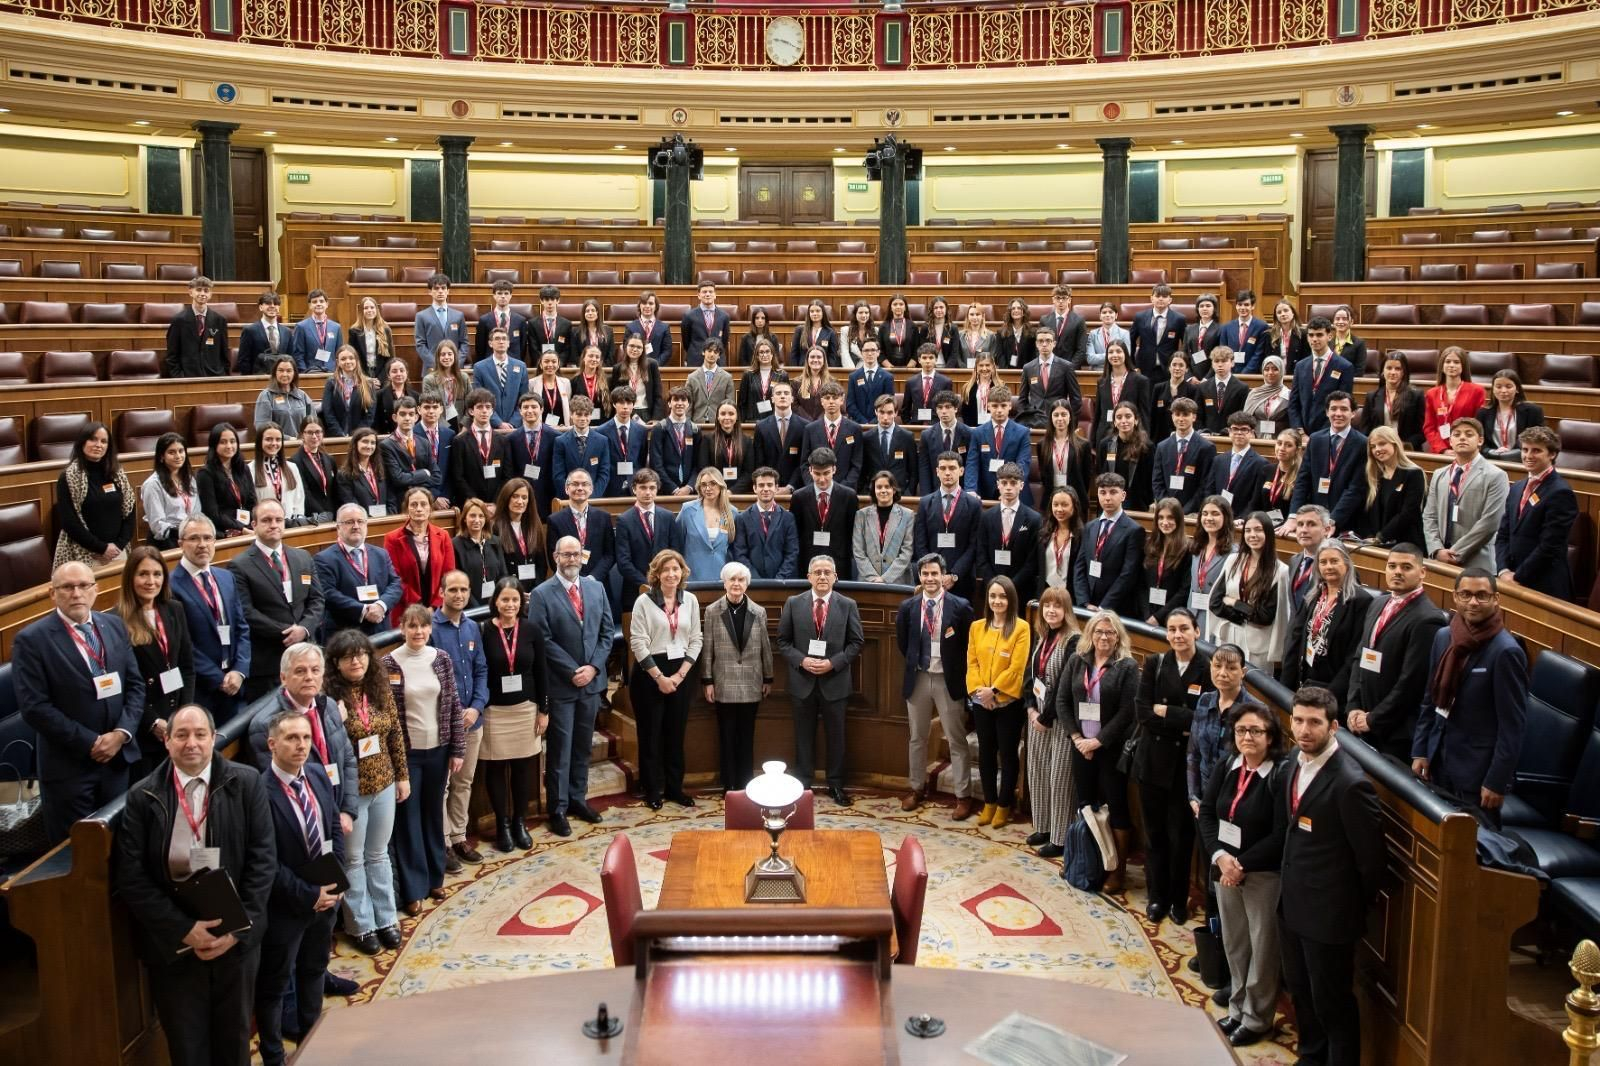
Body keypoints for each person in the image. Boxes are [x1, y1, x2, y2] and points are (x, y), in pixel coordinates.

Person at [114, 704, 273, 1066]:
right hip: (176, 948)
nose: (192, 743)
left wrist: (237, 929)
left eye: (200, 734)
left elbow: (264, 860)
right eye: (182, 735)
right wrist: (183, 929)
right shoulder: (142, 796)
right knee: (187, 1049)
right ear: (166, 741)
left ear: (214, 739)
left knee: (234, 1044)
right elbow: (132, 877)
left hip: (236, 942)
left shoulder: (247, 782)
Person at [1280, 685, 1384, 1066]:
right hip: (1292, 904)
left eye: (1314, 722)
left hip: (1329, 917)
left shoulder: (1350, 783)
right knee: (1300, 992)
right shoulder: (1294, 761)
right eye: (1298, 720)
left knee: (1332, 1004)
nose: (1304, 730)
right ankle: (1310, 1058)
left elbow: (1371, 861)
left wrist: (1344, 906)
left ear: (1333, 726)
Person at [15, 560, 143, 840]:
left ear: (96, 589)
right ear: (53, 594)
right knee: (76, 852)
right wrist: (92, 742)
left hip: (117, 761)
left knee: (121, 843)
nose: (77, 593)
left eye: (84, 585)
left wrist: (121, 734)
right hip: (70, 769)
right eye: (67, 587)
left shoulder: (114, 625)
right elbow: (35, 708)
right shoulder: (32, 640)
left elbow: (135, 686)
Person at [253, 707, 344, 1066]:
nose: (301, 745)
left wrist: (335, 882)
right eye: (292, 738)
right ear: (272, 744)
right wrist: (309, 895)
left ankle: (311, 1043)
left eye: (306, 737)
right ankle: (274, 1055)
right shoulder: (259, 792)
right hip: (285, 907)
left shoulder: (318, 774)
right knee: (274, 986)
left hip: (325, 901)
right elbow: (267, 861)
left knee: (313, 971)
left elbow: (333, 828)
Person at [1197, 703, 1289, 1048]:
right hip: (1225, 870)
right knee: (1235, 943)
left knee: (1262, 948)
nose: (1247, 737)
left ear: (1271, 737)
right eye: (1241, 730)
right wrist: (1221, 858)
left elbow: (1281, 833)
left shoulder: (1279, 775)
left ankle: (1257, 1018)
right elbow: (1208, 813)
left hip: (1262, 875)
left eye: (1256, 731)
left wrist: (1241, 865)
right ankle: (1237, 1009)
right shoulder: (1228, 764)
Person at [1412, 570, 1528, 827]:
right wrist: (1420, 750)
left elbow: (1512, 727)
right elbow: (1430, 699)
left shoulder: (1506, 651)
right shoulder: (1444, 637)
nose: (1473, 602)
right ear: (1455, 597)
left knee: (1477, 844)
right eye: (1465, 594)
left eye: (1481, 596)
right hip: (1439, 759)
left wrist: (1496, 781)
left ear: (1496, 599)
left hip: (1477, 773)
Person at [323, 628, 406, 954]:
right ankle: (361, 925)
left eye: (360, 655)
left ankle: (387, 919)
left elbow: (395, 733)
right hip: (351, 793)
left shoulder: (379, 687)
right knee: (354, 859)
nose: (356, 661)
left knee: (378, 854)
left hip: (384, 782)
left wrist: (402, 776)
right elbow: (327, 749)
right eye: (348, 657)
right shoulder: (329, 700)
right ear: (336, 663)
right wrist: (336, 720)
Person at [529, 536, 612, 836]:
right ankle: (558, 808)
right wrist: (572, 670)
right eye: (566, 554)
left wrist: (593, 668)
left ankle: (578, 799)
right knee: (560, 751)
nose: (572, 559)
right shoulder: (541, 594)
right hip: (562, 685)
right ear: (555, 557)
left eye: (576, 554)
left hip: (591, 683)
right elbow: (542, 639)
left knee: (582, 747)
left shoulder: (596, 588)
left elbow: (606, 633)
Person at [1134, 608, 1213, 923]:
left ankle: (1178, 901)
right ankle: (1157, 897)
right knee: (1154, 835)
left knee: (1181, 838)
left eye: (1184, 628)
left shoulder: (1207, 669)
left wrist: (1167, 712)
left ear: (1196, 631)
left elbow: (1203, 720)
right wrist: (1181, 722)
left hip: (1185, 768)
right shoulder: (1155, 663)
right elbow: (1143, 713)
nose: (1178, 635)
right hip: (1152, 763)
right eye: (1172, 629)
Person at [384, 604, 465, 914]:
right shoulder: (388, 663)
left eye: (423, 626)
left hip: (439, 751)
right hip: (408, 755)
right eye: (412, 626)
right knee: (408, 821)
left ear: (431, 628)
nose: (418, 631)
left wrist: (457, 749)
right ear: (402, 628)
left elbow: (454, 705)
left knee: (433, 815)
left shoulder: (441, 658)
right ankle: (414, 889)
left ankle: (434, 878)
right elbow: (389, 718)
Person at [1057, 610, 1140, 893]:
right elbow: (1062, 701)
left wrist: (1098, 742)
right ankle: (1087, 860)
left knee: (1116, 807)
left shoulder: (1127, 666)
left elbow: (1128, 712)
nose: (1104, 637)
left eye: (1110, 632)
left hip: (1110, 750)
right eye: (1099, 631)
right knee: (1085, 804)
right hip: (1080, 747)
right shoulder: (1077, 660)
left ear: (1118, 637)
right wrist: (1077, 737)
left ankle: (1117, 870)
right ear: (1090, 634)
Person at [1343, 543, 1447, 759]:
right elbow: (1359, 657)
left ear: (1422, 572)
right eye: (1392, 566)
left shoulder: (1428, 618)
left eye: (1406, 567)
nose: (1397, 572)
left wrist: (1373, 719)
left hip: (1394, 733)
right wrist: (1353, 706)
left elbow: (1411, 683)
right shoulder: (1377, 603)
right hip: (1362, 718)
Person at [777, 555, 865, 806]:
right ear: (809, 577)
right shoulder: (793, 603)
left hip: (835, 682)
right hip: (802, 682)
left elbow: (856, 642)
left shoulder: (847, 605)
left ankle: (836, 785)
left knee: (836, 738)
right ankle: (803, 785)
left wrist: (833, 663)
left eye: (827, 572)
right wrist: (802, 660)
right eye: (818, 572)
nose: (823, 576)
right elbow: (783, 641)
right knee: (803, 737)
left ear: (835, 577)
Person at [895, 554, 977, 818]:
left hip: (947, 680)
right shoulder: (908, 607)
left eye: (934, 574)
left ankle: (962, 795)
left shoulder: (960, 606)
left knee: (956, 739)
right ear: (919, 577)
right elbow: (903, 643)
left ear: (944, 575)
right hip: (918, 678)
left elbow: (969, 645)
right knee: (917, 737)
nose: (930, 579)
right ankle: (916, 788)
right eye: (925, 574)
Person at [629, 549, 703, 809]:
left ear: (683, 572)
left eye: (676, 569)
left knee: (675, 733)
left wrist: (680, 675)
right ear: (657, 574)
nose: (672, 574)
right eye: (666, 570)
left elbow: (696, 639)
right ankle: (652, 789)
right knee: (651, 735)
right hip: (650, 674)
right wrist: (660, 678)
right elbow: (638, 643)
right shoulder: (644, 601)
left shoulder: (690, 600)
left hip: (681, 672)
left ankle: (674, 788)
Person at [232, 499, 325, 702]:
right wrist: (287, 632)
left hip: (306, 654)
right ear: (254, 524)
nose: (273, 525)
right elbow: (247, 611)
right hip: (268, 662)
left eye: (278, 520)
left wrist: (304, 629)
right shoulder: (239, 565)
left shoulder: (303, 557)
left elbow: (317, 599)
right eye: (266, 520)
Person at [479, 577, 547, 851]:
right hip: (494, 711)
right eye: (505, 599)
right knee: (496, 768)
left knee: (522, 768)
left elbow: (541, 671)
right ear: (495, 601)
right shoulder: (484, 630)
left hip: (526, 709)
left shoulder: (531, 629)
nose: (510, 604)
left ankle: (519, 822)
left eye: (515, 599)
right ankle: (502, 825)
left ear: (522, 602)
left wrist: (544, 710)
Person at [115, 546, 194, 776]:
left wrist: (183, 713)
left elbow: (187, 666)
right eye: (143, 574)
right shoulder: (115, 620)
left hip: (176, 719)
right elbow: (125, 684)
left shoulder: (174, 609)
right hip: (145, 727)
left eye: (157, 574)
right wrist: (152, 722)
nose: (151, 581)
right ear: (130, 578)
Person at [430, 570, 491, 869]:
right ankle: (442, 844)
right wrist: (457, 714)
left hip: (472, 720)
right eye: (453, 589)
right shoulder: (431, 629)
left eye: (464, 589)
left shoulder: (472, 627)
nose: (459, 595)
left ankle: (458, 836)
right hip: (444, 723)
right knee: (442, 786)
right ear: (441, 592)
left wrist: (477, 707)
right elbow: (430, 680)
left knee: (464, 782)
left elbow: (481, 670)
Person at [701, 561, 774, 793]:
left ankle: (745, 783)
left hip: (752, 683)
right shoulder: (712, 611)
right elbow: (707, 648)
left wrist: (768, 677)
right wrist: (707, 680)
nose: (736, 583)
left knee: (746, 736)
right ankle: (729, 784)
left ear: (747, 584)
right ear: (724, 583)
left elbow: (766, 648)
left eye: (741, 579)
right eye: (732, 579)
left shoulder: (759, 612)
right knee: (726, 736)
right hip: (723, 682)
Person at [168, 515, 249, 719]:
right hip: (200, 688)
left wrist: (239, 670)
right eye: (194, 538)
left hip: (234, 683)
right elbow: (181, 643)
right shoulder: (170, 586)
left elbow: (241, 627)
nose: (202, 544)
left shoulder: (226, 577)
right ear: (180, 544)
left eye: (207, 538)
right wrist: (217, 678)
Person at [1279, 542, 1372, 710]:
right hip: (1307, 679)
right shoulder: (1313, 596)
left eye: (1334, 561)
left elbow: (1354, 656)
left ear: (1346, 563)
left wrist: (1330, 695)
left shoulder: (1361, 601)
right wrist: (1285, 686)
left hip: (1336, 690)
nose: (1328, 566)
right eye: (1323, 562)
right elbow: (1296, 639)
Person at [1023, 586, 1078, 856]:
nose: (1051, 611)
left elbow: (1065, 687)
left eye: (1057, 606)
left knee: (1059, 778)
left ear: (1066, 610)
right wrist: (1031, 708)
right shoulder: (1042, 636)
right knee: (1038, 772)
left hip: (1060, 721)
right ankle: (1043, 827)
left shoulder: (1073, 641)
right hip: (1038, 717)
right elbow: (1030, 676)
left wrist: (1045, 717)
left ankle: (1060, 838)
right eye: (1047, 605)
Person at [1497, 426, 1577, 600]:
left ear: (1552, 454)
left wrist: (1518, 577)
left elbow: (1550, 545)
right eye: (1525, 449)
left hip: (1544, 584)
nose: (1528, 455)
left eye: (1536, 450)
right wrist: (1503, 570)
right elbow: (1503, 534)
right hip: (1510, 578)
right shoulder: (1517, 487)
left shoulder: (1560, 492)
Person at [1422, 418, 1510, 572]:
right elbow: (1429, 516)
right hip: (1440, 558)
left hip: (1477, 561)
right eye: (1457, 434)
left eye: (1469, 434)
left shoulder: (1496, 475)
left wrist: (1456, 553)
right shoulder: (1439, 474)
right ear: (1450, 441)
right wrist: (1436, 549)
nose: (1462, 438)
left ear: (1480, 440)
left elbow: (1490, 522)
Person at [1209, 512, 1291, 672]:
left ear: (1268, 533)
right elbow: (1215, 602)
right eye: (1248, 530)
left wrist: (1234, 603)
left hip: (1257, 646)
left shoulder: (1280, 571)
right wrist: (1244, 615)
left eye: (1258, 530)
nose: (1252, 535)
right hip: (1229, 636)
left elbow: (1265, 616)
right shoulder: (1233, 560)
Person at [52, 421, 134, 568]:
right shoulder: (69, 477)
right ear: (82, 442)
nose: (98, 445)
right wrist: (101, 548)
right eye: (93, 439)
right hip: (83, 554)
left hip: (118, 552)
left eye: (104, 441)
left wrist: (118, 546)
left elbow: (129, 511)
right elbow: (69, 523)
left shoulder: (117, 473)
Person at [313, 505, 403, 637]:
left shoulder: (381, 554)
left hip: (380, 629)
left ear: (366, 525)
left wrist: (381, 605)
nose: (356, 526)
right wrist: (363, 611)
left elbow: (395, 584)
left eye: (360, 521)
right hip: (345, 634)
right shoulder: (324, 559)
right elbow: (328, 593)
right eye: (349, 522)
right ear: (338, 528)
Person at [1290, 392, 1366, 535]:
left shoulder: (1362, 444)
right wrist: (1293, 516)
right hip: (1314, 519)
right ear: (1326, 412)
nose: (1338, 414)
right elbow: (1303, 480)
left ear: (1353, 413)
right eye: (1333, 409)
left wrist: (1332, 521)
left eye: (1344, 409)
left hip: (1345, 522)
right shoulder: (1315, 439)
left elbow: (1356, 489)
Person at [546, 470, 618, 616]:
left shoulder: (603, 517)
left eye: (584, 484)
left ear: (591, 489)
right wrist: (574, 579)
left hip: (598, 584)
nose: (580, 488)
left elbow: (610, 554)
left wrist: (592, 578)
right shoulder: (555, 520)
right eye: (575, 484)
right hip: (568, 587)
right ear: (567, 489)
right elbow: (554, 556)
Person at [1074, 473, 1146, 615]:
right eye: (1103, 492)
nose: (1107, 498)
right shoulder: (1089, 527)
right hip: (1088, 605)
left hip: (1115, 608)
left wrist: (1103, 607)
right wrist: (1084, 602)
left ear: (1123, 495)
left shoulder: (1134, 530)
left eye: (1113, 492)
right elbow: (1079, 566)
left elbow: (1128, 574)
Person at [383, 486, 455, 624]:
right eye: (414, 505)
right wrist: (419, 607)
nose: (419, 509)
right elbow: (395, 578)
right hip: (406, 610)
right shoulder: (392, 539)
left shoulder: (443, 536)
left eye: (423, 504)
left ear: (430, 508)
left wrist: (435, 606)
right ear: (407, 508)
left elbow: (449, 575)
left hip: (438, 610)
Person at [1350, 426, 1426, 550]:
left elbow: (1408, 513)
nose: (1377, 449)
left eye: (1382, 444)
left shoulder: (1413, 473)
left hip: (1404, 544)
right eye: (1373, 446)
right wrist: (1370, 536)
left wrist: (1381, 537)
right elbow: (1366, 512)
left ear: (1395, 444)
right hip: (1376, 544)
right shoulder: (1374, 475)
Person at [976, 463, 1041, 601]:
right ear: (998, 485)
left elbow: (1032, 561)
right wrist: (995, 586)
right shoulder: (986, 517)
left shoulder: (1034, 519)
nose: (1008, 487)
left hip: (1021, 590)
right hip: (991, 590)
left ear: (1021, 485)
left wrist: (1011, 586)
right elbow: (981, 556)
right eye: (1004, 483)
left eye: (1013, 483)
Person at [793, 447, 858, 580]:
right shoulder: (799, 497)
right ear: (810, 470)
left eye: (826, 473)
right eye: (817, 474)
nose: (822, 479)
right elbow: (797, 534)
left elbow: (851, 533)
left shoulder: (849, 496)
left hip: (839, 565)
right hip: (808, 565)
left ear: (834, 469)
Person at [1289, 318, 1356, 435]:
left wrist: (1320, 436)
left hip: (1329, 433)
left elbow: (1341, 404)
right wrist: (1300, 431)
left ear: (1329, 336)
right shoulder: (1300, 366)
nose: (1314, 339)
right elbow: (1293, 403)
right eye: (1311, 335)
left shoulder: (1344, 366)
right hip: (1302, 433)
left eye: (1319, 335)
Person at [964, 385, 1031, 500]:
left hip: (1014, 491)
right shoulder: (978, 433)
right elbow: (972, 463)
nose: (999, 410)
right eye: (995, 406)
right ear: (988, 406)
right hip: (985, 492)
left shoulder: (1022, 433)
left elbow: (1023, 464)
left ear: (1010, 406)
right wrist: (970, 490)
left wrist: (1010, 488)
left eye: (1003, 405)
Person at [852, 470, 915, 586]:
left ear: (894, 489)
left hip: (898, 582)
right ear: (874, 490)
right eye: (879, 487)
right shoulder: (861, 515)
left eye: (887, 487)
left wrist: (885, 578)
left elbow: (907, 551)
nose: (883, 490)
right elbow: (858, 551)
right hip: (867, 581)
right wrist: (873, 578)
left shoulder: (908, 515)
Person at [798, 380, 864, 491]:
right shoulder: (810, 429)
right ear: (822, 401)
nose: (831, 402)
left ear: (842, 400)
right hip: (817, 489)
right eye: (827, 398)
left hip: (845, 490)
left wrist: (842, 488)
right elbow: (805, 464)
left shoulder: (854, 429)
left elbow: (857, 464)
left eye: (835, 398)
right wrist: (815, 485)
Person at [449, 388, 511, 507]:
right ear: (471, 411)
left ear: (492, 411)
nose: (484, 411)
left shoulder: (503, 441)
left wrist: (496, 502)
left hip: (496, 505)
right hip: (470, 504)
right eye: (480, 407)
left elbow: (507, 475)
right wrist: (476, 503)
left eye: (488, 407)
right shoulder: (460, 441)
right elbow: (458, 477)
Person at [1153, 397, 1215, 514]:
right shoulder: (1162, 446)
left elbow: (1205, 484)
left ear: (1194, 417)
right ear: (1172, 416)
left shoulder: (1206, 447)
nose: (1181, 419)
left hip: (1192, 511)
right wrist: (1166, 506)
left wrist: (1184, 511)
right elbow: (1157, 481)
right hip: (1166, 510)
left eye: (1185, 415)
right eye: (1177, 414)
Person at [141, 432, 202, 550]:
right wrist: (184, 534)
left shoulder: (190, 479)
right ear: (161, 456)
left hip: (190, 536)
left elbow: (197, 512)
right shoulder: (153, 484)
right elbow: (158, 525)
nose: (178, 456)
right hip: (166, 541)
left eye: (181, 451)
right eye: (172, 452)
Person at [1421, 347, 1487, 455]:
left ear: (1463, 366)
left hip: (1466, 449)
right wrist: (1443, 450)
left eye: (1456, 362)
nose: (1451, 365)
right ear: (1442, 366)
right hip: (1440, 451)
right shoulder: (1432, 394)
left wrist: (1462, 446)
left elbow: (1478, 425)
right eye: (1448, 362)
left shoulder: (1477, 391)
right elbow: (1429, 427)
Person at [196, 422, 257, 539]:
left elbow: (252, 501)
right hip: (223, 531)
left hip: (248, 526)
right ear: (214, 445)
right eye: (223, 442)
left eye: (232, 441)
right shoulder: (205, 474)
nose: (229, 446)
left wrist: (253, 523)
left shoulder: (243, 468)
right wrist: (242, 528)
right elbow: (212, 514)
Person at [677, 466, 738, 580]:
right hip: (692, 576)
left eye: (713, 484)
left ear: (720, 485)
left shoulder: (732, 512)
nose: (708, 488)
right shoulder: (687, 510)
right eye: (704, 485)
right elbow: (677, 544)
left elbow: (734, 548)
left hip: (722, 577)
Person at [164, 276, 230, 378]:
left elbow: (224, 353)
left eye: (206, 291)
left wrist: (223, 375)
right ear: (190, 292)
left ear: (210, 294)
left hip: (214, 376)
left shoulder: (220, 320)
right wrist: (180, 378)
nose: (203, 294)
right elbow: (172, 356)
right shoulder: (178, 321)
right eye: (198, 290)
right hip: (188, 377)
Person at [752, 379, 810, 490]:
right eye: (778, 393)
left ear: (792, 399)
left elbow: (804, 462)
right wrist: (771, 485)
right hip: (770, 488)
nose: (782, 396)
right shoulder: (761, 427)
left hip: (797, 489)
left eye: (786, 393)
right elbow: (759, 462)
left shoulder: (805, 426)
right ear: (772, 399)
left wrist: (790, 486)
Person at [1359, 354, 1425, 450]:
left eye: (1398, 369)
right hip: (1379, 449)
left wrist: (1405, 445)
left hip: (1406, 451)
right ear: (1382, 371)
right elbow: (1365, 430)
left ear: (1403, 372)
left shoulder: (1416, 396)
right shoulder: (1371, 397)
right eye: (1389, 368)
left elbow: (1422, 431)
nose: (1393, 372)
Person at [379, 397, 435, 511]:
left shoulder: (424, 442)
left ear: (416, 417)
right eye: (403, 414)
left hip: (423, 500)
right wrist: (424, 474)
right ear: (395, 417)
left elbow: (436, 475)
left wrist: (415, 483)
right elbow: (398, 478)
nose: (407, 418)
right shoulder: (386, 445)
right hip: (401, 501)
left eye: (411, 414)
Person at [1478, 369, 1545, 462]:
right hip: (1491, 460)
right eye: (1498, 387)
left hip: (1523, 460)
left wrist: (1512, 453)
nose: (1503, 390)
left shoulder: (1533, 411)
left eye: (1508, 386)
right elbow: (1479, 440)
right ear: (1493, 389)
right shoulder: (1483, 413)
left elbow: (1537, 439)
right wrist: (1491, 451)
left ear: (1517, 389)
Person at [1099, 402, 1156, 512]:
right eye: (1119, 417)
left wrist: (1152, 500)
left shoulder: (1147, 446)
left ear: (1136, 420)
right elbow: (1102, 473)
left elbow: (1151, 477)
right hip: (1111, 500)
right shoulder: (1105, 445)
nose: (1123, 421)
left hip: (1138, 502)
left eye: (1128, 416)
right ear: (1114, 422)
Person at [452, 497, 508, 608]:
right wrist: (477, 608)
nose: (477, 520)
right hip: (470, 607)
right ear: (464, 518)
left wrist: (498, 602)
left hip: (496, 605)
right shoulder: (455, 545)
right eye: (472, 516)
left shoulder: (495, 541)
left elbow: (503, 575)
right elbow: (459, 583)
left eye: (481, 516)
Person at [596, 385, 652, 497]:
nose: (625, 407)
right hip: (610, 486)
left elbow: (641, 459)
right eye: (621, 403)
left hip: (634, 486)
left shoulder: (641, 431)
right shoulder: (601, 431)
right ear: (614, 404)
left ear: (633, 404)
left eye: (629, 403)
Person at [1093, 340, 1152, 444]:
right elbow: (1098, 413)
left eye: (1118, 351)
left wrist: (1145, 438)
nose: (1114, 355)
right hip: (1105, 435)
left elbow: (1144, 414)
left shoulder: (1140, 381)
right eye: (1111, 352)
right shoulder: (1102, 382)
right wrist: (1093, 440)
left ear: (1125, 354)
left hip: (1131, 435)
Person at [1144, 498, 1192, 626]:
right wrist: (1147, 614)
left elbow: (1184, 590)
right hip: (1146, 615)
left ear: (1178, 520)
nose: (1165, 522)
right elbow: (1140, 584)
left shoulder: (1188, 549)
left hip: (1172, 617)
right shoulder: (1149, 544)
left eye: (1170, 517)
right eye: (1161, 517)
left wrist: (1158, 617)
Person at [471, 327, 530, 429]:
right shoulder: (479, 367)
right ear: (490, 343)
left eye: (504, 339)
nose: (501, 341)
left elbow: (524, 398)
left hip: (515, 427)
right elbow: (479, 398)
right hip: (490, 426)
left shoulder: (521, 366)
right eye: (497, 339)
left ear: (508, 343)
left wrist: (513, 422)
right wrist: (498, 423)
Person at [1211, 412, 1269, 514]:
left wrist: (1242, 518)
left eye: (1244, 429)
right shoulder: (1218, 460)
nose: (1239, 433)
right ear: (1229, 431)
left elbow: (1255, 499)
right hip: (1218, 514)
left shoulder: (1261, 463)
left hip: (1242, 517)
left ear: (1252, 433)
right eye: (1235, 429)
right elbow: (1209, 489)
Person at [1037, 398, 1091, 507]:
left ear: (1070, 417)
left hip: (1076, 499)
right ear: (1051, 418)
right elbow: (1044, 475)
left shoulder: (1083, 445)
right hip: (1051, 499)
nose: (1060, 418)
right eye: (1056, 415)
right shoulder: (1042, 444)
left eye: (1064, 414)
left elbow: (1086, 477)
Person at [251, 424, 307, 524]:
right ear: (260, 441)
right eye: (269, 439)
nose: (274, 443)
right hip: (265, 525)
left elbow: (299, 499)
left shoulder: (292, 467)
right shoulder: (250, 469)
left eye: (278, 439)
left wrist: (297, 522)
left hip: (290, 525)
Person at [863, 393, 918, 495]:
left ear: (896, 413)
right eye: (881, 412)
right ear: (876, 412)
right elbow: (863, 470)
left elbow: (914, 471)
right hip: (873, 494)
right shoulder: (867, 438)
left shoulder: (907, 437)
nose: (885, 417)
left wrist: (909, 494)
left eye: (889, 413)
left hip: (900, 493)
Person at [919, 389, 973, 492]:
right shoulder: (926, 435)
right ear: (936, 410)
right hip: (935, 490)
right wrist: (926, 496)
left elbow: (970, 466)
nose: (944, 411)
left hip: (961, 490)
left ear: (956, 408)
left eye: (948, 407)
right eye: (940, 407)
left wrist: (968, 492)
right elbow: (924, 469)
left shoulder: (968, 434)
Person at [696, 400, 754, 493]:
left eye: (731, 414)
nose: (727, 417)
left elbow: (748, 473)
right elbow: (704, 469)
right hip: (714, 492)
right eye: (723, 414)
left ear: (737, 417)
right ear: (718, 417)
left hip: (738, 493)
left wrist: (732, 491)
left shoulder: (746, 441)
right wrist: (718, 489)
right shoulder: (707, 440)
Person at [650, 386, 700, 494]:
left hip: (689, 491)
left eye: (683, 400)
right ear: (669, 403)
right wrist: (673, 488)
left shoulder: (695, 430)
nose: (680, 403)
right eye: (676, 399)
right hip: (666, 490)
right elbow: (656, 464)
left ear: (688, 404)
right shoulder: (659, 429)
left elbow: (698, 464)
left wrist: (689, 487)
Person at [1283, 505, 1334, 610]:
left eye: (1311, 524)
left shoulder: (1337, 566)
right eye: (1300, 524)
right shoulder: (1294, 560)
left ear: (1327, 530)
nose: (1304, 530)